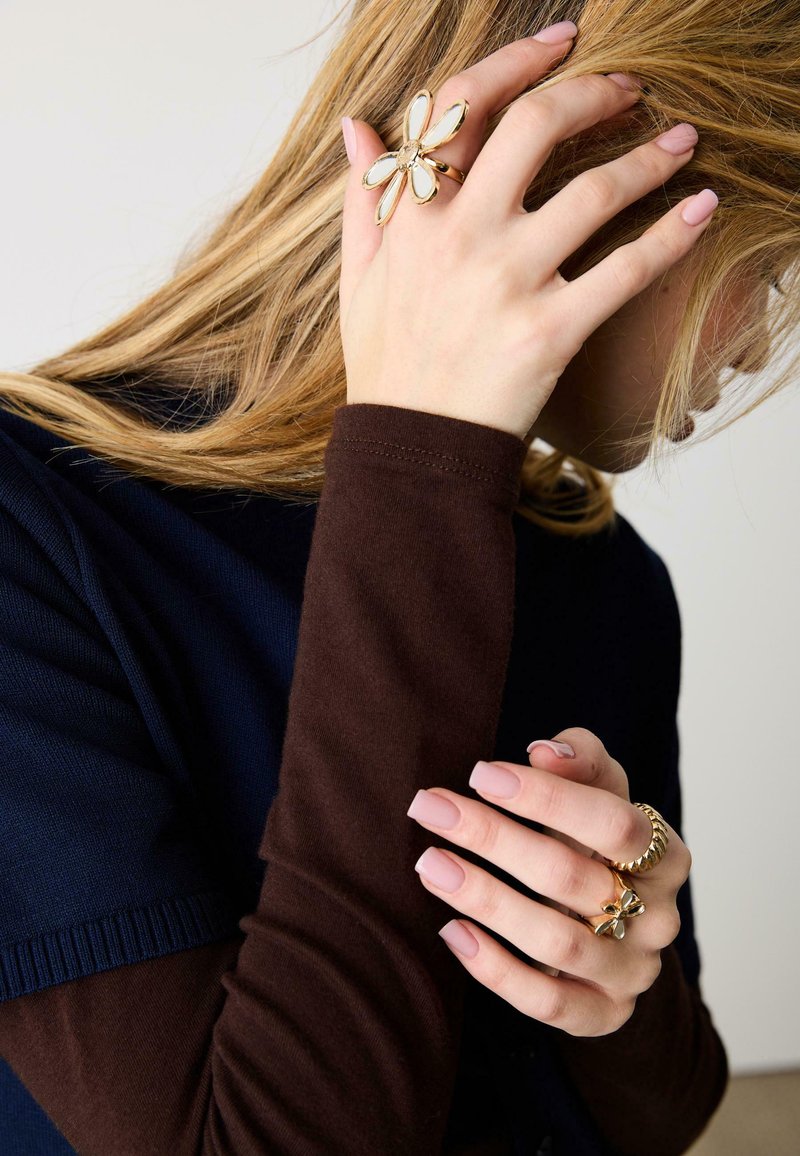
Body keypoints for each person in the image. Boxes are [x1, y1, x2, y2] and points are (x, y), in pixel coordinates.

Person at [0, 2, 797, 1152]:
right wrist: (420, 462)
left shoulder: (603, 575)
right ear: (566, 165)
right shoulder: (27, 533)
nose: (761, 343)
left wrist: (612, 976)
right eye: (764, 264)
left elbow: (667, 1111)